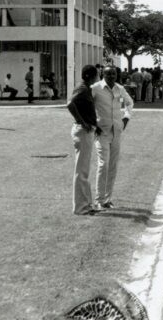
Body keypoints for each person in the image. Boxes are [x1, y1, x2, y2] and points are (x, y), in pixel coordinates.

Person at [91, 66, 134, 209]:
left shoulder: (119, 88)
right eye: (108, 73)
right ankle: (99, 200)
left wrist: (126, 118)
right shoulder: (95, 88)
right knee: (104, 164)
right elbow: (87, 106)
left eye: (113, 74)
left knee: (113, 166)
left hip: (116, 131)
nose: (111, 76)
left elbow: (129, 103)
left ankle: (107, 199)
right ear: (103, 74)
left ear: (117, 75)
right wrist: (92, 123)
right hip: (101, 132)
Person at [67, 65, 99, 216]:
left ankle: (86, 204)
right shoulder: (82, 88)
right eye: (95, 75)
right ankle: (81, 207)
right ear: (88, 75)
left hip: (86, 130)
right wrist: (83, 122)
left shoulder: (85, 87)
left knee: (84, 170)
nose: (97, 78)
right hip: (83, 131)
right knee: (82, 171)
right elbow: (70, 104)